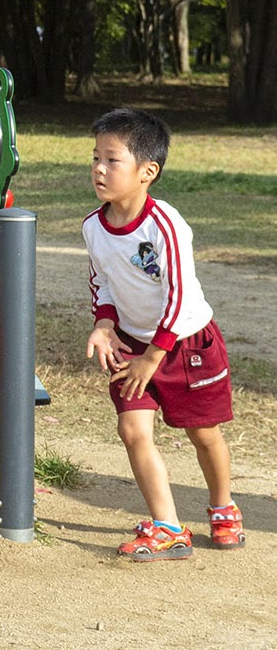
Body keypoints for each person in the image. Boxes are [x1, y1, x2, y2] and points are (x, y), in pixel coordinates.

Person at [83, 108, 243, 560]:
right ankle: (169, 526)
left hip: (186, 345)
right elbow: (103, 282)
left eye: (112, 160)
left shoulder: (165, 225)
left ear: (147, 171)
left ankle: (223, 506)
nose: (98, 168)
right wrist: (104, 323)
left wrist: (153, 357)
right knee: (133, 429)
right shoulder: (94, 227)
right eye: (95, 157)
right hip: (132, 345)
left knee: (203, 434)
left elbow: (178, 295)